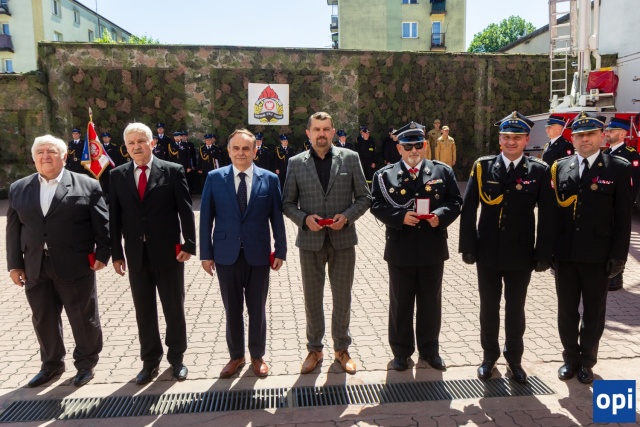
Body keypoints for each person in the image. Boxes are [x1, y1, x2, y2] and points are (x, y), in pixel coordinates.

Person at [6, 134, 110, 388]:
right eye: (40, 152)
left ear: (64, 156)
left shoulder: (86, 185)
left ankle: (85, 364)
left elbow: (102, 224)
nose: (45, 156)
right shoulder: (19, 188)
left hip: (75, 264)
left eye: (51, 151)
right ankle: (51, 364)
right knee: (43, 317)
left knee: (82, 316)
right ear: (34, 158)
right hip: (35, 266)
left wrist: (103, 254)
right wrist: (15, 264)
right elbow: (13, 230)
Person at [459, 111, 552, 384]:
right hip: (487, 252)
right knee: (489, 308)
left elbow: (548, 216)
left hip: (521, 254)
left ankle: (514, 359)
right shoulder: (483, 167)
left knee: (515, 309)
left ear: (526, 140)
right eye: (507, 137)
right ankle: (489, 357)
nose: (511, 142)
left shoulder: (539, 170)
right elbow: (469, 209)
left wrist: (543, 253)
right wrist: (468, 246)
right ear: (499, 140)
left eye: (517, 137)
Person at [540, 112, 632, 384]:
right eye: (579, 135)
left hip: (598, 256)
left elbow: (623, 218)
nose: (585, 140)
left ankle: (587, 361)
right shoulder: (560, 167)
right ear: (573, 139)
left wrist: (618, 257)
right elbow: (551, 216)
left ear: (602, 136)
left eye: (590, 134)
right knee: (567, 311)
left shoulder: (618, 167)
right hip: (565, 254)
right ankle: (570, 358)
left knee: (594, 312)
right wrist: (547, 250)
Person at [282, 112, 371, 375]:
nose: (321, 134)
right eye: (317, 129)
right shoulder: (296, 163)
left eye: (326, 129)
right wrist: (304, 219)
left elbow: (365, 197)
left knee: (342, 297)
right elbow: (287, 203)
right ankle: (314, 349)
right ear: (308, 133)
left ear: (333, 132)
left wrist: (347, 217)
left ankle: (342, 349)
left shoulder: (350, 158)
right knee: (312, 299)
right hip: (310, 241)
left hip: (343, 240)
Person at [109, 122, 196, 385]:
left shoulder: (172, 171)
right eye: (131, 143)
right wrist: (116, 253)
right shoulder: (117, 175)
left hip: (169, 254)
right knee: (144, 310)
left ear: (152, 143)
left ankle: (177, 358)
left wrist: (189, 244)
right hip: (136, 255)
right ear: (126, 147)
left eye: (141, 141)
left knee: (173, 308)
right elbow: (114, 218)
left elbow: (185, 211)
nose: (136, 147)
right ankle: (150, 361)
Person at [370, 121, 462, 371]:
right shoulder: (385, 175)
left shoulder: (442, 171)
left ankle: (430, 350)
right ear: (399, 148)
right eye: (408, 146)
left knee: (430, 303)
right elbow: (376, 205)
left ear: (425, 146)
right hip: (401, 248)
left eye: (418, 145)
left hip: (432, 247)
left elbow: (455, 201)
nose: (414, 150)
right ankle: (401, 352)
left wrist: (439, 216)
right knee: (401, 303)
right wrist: (400, 217)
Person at [200, 129, 287, 379]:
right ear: (229, 151)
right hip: (225, 256)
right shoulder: (214, 178)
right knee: (232, 309)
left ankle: (257, 356)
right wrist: (206, 254)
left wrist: (280, 250)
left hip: (258, 255)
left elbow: (276, 218)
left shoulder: (269, 179)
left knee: (257, 309)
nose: (241, 153)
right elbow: (205, 218)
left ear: (254, 151)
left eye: (246, 148)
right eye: (236, 148)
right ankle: (236, 356)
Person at [602, 117, 640, 291]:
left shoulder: (631, 154)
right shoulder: (606, 153)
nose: (607, 133)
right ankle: (606, 273)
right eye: (607, 131)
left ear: (623, 133)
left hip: (620, 206)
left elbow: (634, 183)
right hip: (605, 206)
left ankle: (617, 277)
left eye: (612, 131)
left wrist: (627, 205)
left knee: (619, 240)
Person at [100, 132, 118, 202]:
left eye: (107, 137)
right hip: (103, 168)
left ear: (109, 138)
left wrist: (116, 167)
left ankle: (112, 195)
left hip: (111, 167)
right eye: (104, 137)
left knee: (112, 182)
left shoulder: (114, 147)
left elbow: (116, 158)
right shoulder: (100, 147)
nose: (105, 139)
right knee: (105, 182)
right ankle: (107, 195)